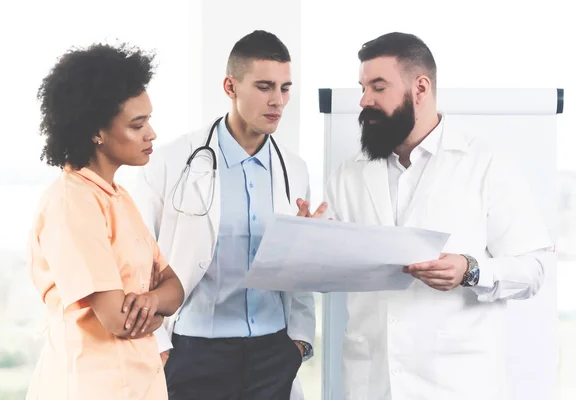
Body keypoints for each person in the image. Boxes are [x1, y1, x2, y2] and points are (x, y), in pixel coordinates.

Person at [321, 32, 554, 400]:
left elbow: (536, 268)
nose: (364, 101)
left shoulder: (484, 163)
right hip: (371, 384)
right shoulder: (348, 175)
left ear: (420, 87)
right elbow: (328, 271)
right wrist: (312, 239)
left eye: (378, 87)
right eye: (363, 87)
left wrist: (471, 270)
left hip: (455, 384)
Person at [134, 30, 320, 400]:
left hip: (273, 352)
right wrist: (159, 346)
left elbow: (297, 275)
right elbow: (137, 260)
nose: (278, 101)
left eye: (285, 88)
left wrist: (298, 342)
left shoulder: (294, 171)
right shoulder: (172, 162)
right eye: (264, 86)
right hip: (193, 353)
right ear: (230, 86)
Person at [26, 43, 184, 400]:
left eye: (149, 120)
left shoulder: (118, 197)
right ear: (96, 131)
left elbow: (175, 288)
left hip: (138, 383)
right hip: (88, 386)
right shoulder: (72, 203)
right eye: (137, 124)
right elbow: (119, 320)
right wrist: (155, 308)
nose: (152, 134)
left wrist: (151, 303)